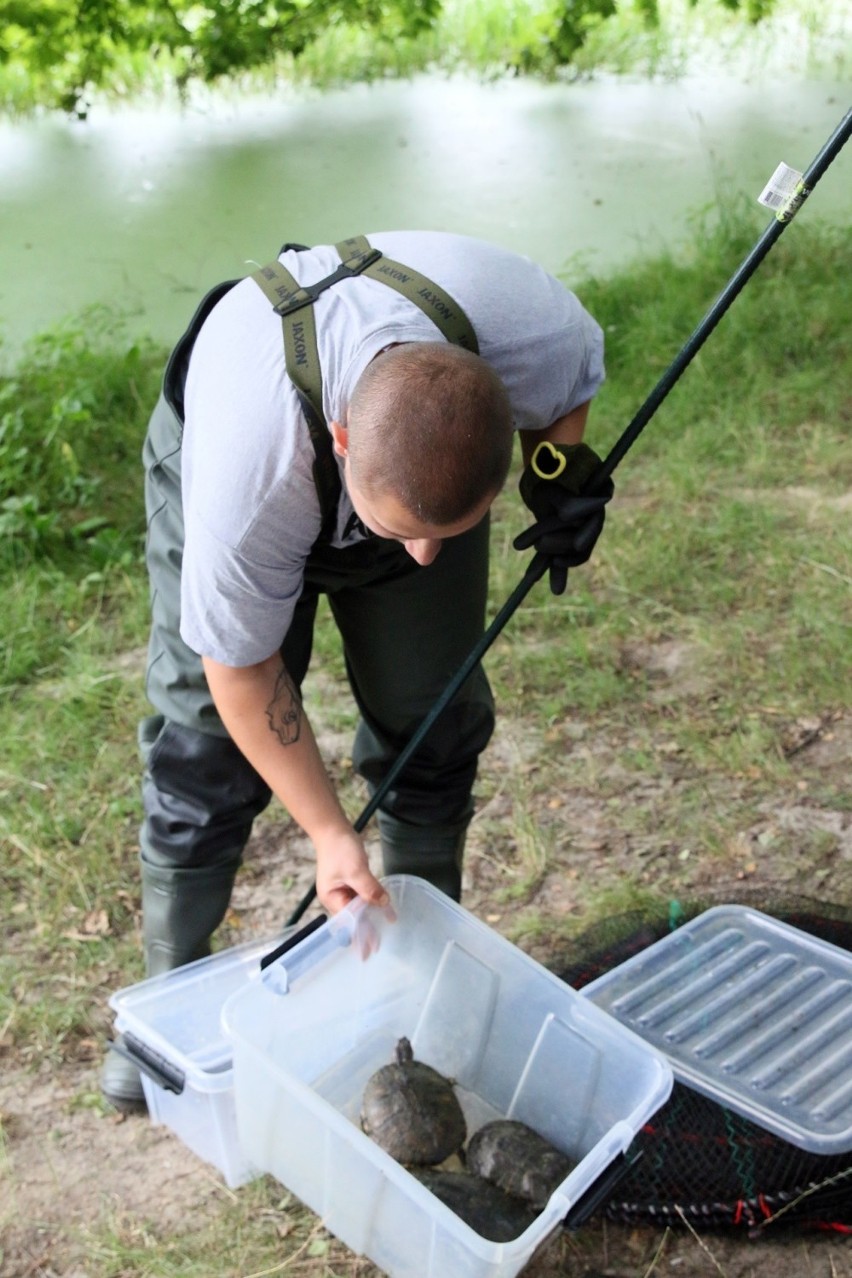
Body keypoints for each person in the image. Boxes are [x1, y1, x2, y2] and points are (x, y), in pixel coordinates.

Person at [101, 231, 611, 1112]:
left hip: (407, 463)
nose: (422, 559)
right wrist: (330, 834)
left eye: (446, 532)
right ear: (341, 439)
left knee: (434, 718)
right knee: (206, 755)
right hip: (245, 448)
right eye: (403, 530)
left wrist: (557, 473)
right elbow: (243, 677)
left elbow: (569, 391)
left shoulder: (525, 322)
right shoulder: (248, 477)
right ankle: (160, 1020)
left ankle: (421, 992)